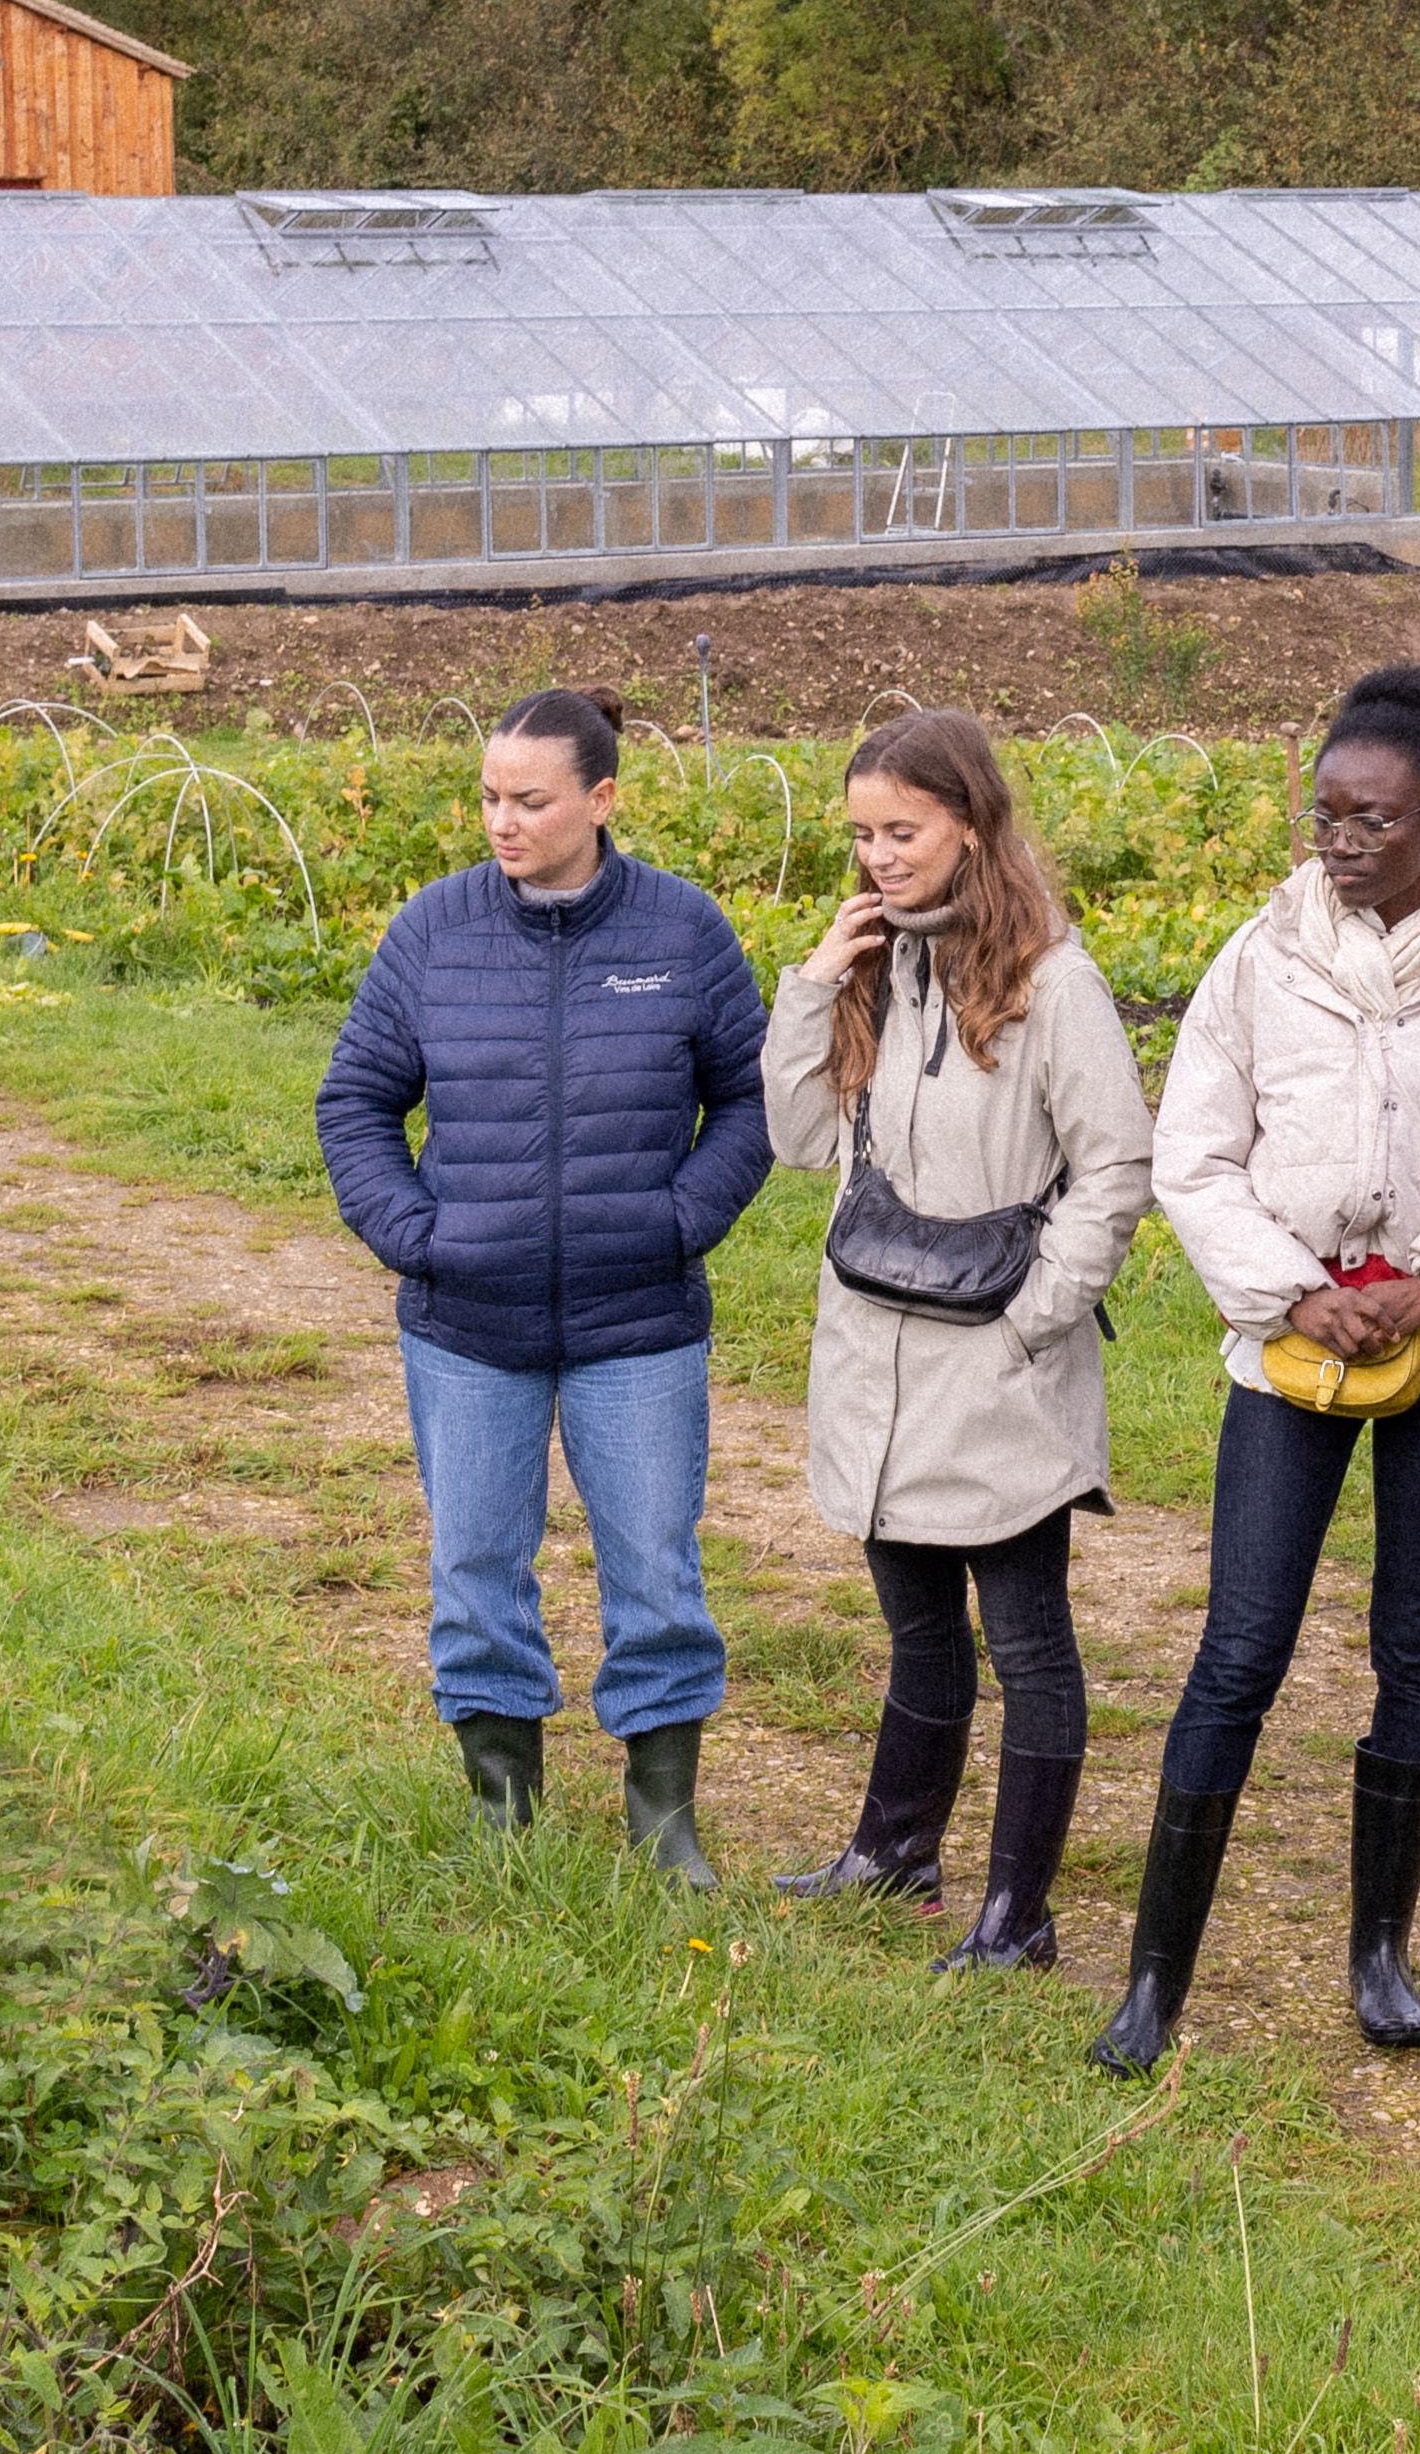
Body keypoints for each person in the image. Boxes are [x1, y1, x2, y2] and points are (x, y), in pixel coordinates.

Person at [1108, 662, 1420, 2075]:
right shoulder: (1258, 956)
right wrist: (1285, 1285)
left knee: (1415, 1644)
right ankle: (1155, 1976)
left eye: (1370, 819)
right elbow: (1192, 1156)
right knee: (1237, 1647)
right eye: (1323, 813)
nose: (1337, 841)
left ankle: (1378, 1945)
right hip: (1288, 1350)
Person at [315, 685, 771, 1886]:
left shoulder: (682, 933)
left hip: (640, 1323)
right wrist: (416, 1234)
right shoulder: (434, 932)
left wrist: (679, 1219)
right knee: (474, 1565)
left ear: (601, 799)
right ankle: (499, 1802)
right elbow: (355, 1100)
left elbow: (751, 1098)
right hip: (467, 1321)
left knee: (657, 1571)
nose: (500, 822)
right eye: (487, 797)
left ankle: (661, 1812)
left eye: (528, 799)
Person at [762, 709, 1156, 1969]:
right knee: (920, 1633)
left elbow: (1114, 1171)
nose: (878, 856)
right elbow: (800, 1139)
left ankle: (1016, 1914)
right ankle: (894, 1855)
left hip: (996, 1366)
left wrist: (1034, 1321)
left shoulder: (1056, 984)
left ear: (971, 825)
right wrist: (817, 979)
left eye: (903, 831)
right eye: (864, 834)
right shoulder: (882, 966)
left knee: (1028, 1643)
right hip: (874, 1357)